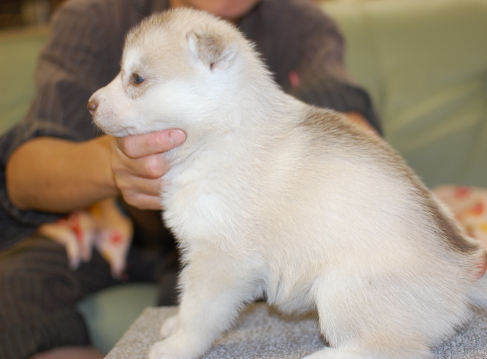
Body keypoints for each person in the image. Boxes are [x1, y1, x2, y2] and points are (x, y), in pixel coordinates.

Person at [0, 0, 381, 358]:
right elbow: (21, 173)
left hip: (233, 226)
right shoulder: (99, 14)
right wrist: (109, 168)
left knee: (244, 288)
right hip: (107, 230)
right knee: (12, 294)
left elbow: (347, 131)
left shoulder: (299, 23)